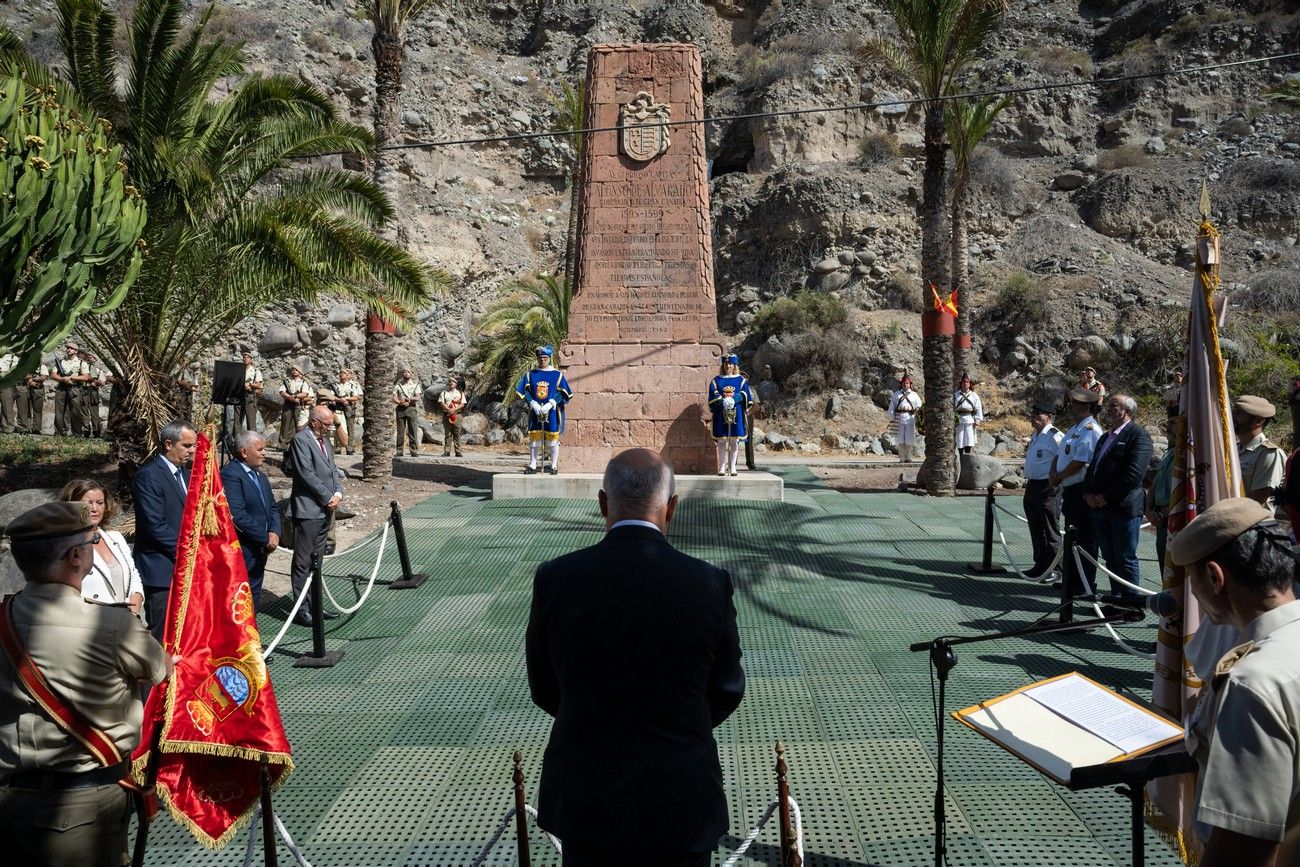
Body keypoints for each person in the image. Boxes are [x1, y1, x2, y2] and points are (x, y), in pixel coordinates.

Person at [526, 449, 745, 866]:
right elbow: (727, 688)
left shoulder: (556, 578)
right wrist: (679, 724)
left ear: (603, 503)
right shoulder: (708, 584)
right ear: (672, 509)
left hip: (587, 798)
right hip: (680, 798)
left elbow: (544, 687)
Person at [0, 502, 172, 867]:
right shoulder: (113, 626)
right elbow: (161, 670)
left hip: (10, 798)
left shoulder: (3, 619)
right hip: (83, 805)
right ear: (76, 556)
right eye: (92, 542)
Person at [1167, 497, 1300, 866]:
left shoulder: (1251, 684)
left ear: (1214, 576)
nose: (1193, 593)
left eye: (1191, 579)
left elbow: (1246, 846)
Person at [1083, 394, 1154, 605]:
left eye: (1115, 406)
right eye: (1110, 405)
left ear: (1128, 411)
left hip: (1123, 508)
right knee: (1110, 557)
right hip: (1099, 508)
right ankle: (1117, 600)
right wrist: (1088, 494)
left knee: (1125, 557)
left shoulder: (1138, 436)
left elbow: (1133, 475)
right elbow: (1093, 467)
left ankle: (1131, 605)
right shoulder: (1106, 437)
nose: (1109, 409)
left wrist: (1104, 498)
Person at [132, 419, 198, 639]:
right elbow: (155, 525)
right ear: (168, 444)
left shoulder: (187, 475)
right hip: (161, 570)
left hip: (187, 568)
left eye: (194, 445)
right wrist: (188, 551)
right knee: (163, 634)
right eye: (187, 446)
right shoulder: (149, 476)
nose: (192, 451)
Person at [288, 405, 343, 627]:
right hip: (308, 510)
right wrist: (327, 497)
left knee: (316, 561)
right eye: (326, 424)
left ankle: (316, 604)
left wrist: (338, 492)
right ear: (314, 422)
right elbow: (306, 474)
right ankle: (301, 609)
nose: (329, 428)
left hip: (325, 509)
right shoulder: (301, 440)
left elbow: (332, 469)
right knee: (303, 561)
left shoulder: (324, 441)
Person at [58, 479, 144, 616]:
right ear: (72, 505)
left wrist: (135, 605)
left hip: (128, 623)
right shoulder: (65, 543)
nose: (94, 509)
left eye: (100, 503)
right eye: (88, 503)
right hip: (91, 625)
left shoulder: (115, 537)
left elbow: (133, 575)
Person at [1050, 387, 1104, 593]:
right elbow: (1061, 454)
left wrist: (1059, 476)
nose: (1070, 406)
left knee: (1085, 539)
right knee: (1073, 537)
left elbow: (1080, 462)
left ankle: (1084, 583)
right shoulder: (1075, 429)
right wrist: (1053, 473)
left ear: (1085, 406)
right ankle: (1071, 580)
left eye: (1074, 403)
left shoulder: (1090, 430)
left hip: (1081, 489)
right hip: (1070, 489)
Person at [221, 430, 281, 611]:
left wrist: (275, 532)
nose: (264, 453)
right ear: (244, 452)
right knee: (238, 596)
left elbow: (272, 507)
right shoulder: (230, 475)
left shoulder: (260, 476)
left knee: (254, 593)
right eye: (260, 449)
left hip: (261, 548)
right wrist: (264, 538)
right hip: (243, 547)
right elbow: (237, 515)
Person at [515, 345, 572, 475]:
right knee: (535, 438)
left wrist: (551, 403)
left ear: (549, 358)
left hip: (551, 411)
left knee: (552, 438)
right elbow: (525, 391)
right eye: (540, 358)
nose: (542, 360)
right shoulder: (530, 375)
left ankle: (553, 465)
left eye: (545, 357)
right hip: (535, 411)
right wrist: (532, 402)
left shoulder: (557, 375)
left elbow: (563, 393)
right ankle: (533, 464)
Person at [1023, 402, 1064, 579]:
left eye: (1039, 414)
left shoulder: (1055, 436)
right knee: (1035, 527)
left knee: (1050, 529)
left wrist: (1056, 479)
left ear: (1049, 417)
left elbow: (1064, 458)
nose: (1034, 417)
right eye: (1033, 413)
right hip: (1032, 486)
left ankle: (1057, 569)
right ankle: (1040, 564)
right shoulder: (1036, 435)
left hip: (1048, 487)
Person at [1232, 395, 1286, 510]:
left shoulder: (1269, 454)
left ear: (1259, 421)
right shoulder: (1233, 449)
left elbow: (1258, 500)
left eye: (1238, 413)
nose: (1232, 417)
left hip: (1252, 524)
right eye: (1233, 412)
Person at [707, 354, 754, 477]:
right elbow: (714, 394)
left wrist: (735, 399)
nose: (728, 366)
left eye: (731, 364)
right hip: (720, 413)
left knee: (734, 441)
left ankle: (733, 466)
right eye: (726, 364)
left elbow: (745, 394)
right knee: (722, 441)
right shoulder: (716, 380)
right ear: (723, 365)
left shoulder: (740, 380)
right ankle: (722, 466)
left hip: (736, 413)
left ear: (734, 365)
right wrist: (723, 401)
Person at [49, 342, 89, 437]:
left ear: (76, 351)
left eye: (71, 348)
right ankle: (59, 432)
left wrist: (71, 378)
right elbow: (53, 374)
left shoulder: (81, 363)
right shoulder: (61, 362)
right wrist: (62, 379)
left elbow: (86, 377)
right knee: (59, 411)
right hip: (61, 388)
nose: (68, 349)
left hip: (74, 388)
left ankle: (77, 433)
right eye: (67, 348)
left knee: (75, 411)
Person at [887, 372, 923, 463]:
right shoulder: (897, 394)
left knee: (909, 437)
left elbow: (919, 405)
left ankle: (909, 457)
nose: (905, 385)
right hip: (899, 417)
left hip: (910, 417)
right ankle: (902, 457)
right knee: (900, 438)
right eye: (904, 383)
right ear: (901, 384)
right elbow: (892, 406)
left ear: (910, 384)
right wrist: (891, 416)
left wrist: (916, 411)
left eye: (907, 383)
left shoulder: (914, 395)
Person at [278, 365, 313, 446]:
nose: (294, 371)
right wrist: (291, 397)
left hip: (298, 405)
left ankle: (296, 443)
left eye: (296, 370)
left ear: (299, 372)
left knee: (298, 424)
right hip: (288, 404)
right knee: (285, 424)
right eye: (293, 370)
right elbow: (282, 392)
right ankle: (282, 444)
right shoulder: (287, 381)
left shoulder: (303, 382)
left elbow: (305, 393)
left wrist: (296, 397)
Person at [331, 368, 363, 455]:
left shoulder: (352, 385)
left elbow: (357, 396)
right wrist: (340, 400)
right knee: (338, 425)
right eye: (341, 373)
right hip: (338, 406)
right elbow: (331, 396)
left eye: (344, 373)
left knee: (350, 427)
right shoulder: (335, 386)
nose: (342, 375)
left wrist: (347, 399)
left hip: (349, 406)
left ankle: (350, 448)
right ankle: (338, 447)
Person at [393, 367, 422, 458]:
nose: (406, 373)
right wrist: (400, 402)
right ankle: (399, 451)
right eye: (404, 372)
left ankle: (414, 451)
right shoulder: (398, 385)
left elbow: (417, 397)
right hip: (400, 409)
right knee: (400, 431)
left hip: (411, 408)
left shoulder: (415, 385)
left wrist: (408, 400)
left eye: (408, 372)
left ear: (411, 374)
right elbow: (394, 397)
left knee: (412, 430)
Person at [437, 374, 466, 458]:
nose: (451, 383)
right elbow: (441, 402)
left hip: (457, 415)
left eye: (453, 381)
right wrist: (448, 410)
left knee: (457, 433)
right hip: (447, 414)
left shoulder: (460, 393)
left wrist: (454, 410)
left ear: (456, 384)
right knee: (448, 433)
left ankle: (458, 451)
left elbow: (462, 404)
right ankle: (447, 451)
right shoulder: (444, 392)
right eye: (450, 381)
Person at [953, 372, 983, 454]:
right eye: (963, 382)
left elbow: (978, 408)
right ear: (961, 383)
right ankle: (960, 456)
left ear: (970, 384)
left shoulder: (974, 395)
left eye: (967, 382)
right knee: (959, 439)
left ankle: (967, 456)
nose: (965, 384)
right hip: (958, 420)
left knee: (969, 439)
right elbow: (952, 408)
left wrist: (978, 420)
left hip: (970, 420)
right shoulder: (955, 395)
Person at [78, 350, 106, 438]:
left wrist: (94, 381)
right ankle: (86, 431)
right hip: (84, 390)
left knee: (94, 413)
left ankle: (96, 431)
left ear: (95, 359)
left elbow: (102, 382)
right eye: (87, 357)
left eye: (91, 357)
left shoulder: (98, 370)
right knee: (84, 412)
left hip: (93, 391)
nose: (88, 358)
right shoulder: (83, 369)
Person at [17, 359, 48, 435]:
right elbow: (20, 375)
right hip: (25, 388)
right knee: (24, 409)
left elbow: (43, 377)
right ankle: (24, 428)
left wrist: (31, 379)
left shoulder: (42, 366)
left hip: (37, 389)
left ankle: (36, 428)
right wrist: (29, 381)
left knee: (37, 410)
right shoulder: (26, 366)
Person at [240, 352, 264, 433]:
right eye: (244, 357)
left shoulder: (255, 371)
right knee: (238, 420)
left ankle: (252, 441)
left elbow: (259, 385)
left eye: (247, 357)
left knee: (251, 420)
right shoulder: (239, 370)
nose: (245, 359)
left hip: (250, 396)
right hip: (239, 395)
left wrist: (249, 384)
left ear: (251, 360)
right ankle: (237, 440)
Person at [0, 351, 18, 433]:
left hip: (5, 383)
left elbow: (15, 371)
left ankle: (8, 429)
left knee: (7, 407)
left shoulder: (12, 357)